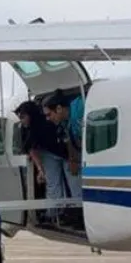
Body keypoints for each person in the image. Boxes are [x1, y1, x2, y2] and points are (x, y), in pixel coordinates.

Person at [14, 100, 69, 223]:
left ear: (30, 115)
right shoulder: (30, 128)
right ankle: (56, 213)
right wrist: (40, 169)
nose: (22, 121)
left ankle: (61, 213)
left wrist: (40, 169)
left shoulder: (41, 125)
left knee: (60, 184)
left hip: (63, 153)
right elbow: (31, 149)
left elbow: (30, 148)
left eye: (23, 117)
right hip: (52, 153)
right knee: (54, 184)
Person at [43, 92, 86, 228]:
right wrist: (72, 160)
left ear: (59, 108)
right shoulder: (65, 122)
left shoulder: (80, 111)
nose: (48, 119)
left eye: (49, 114)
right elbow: (69, 140)